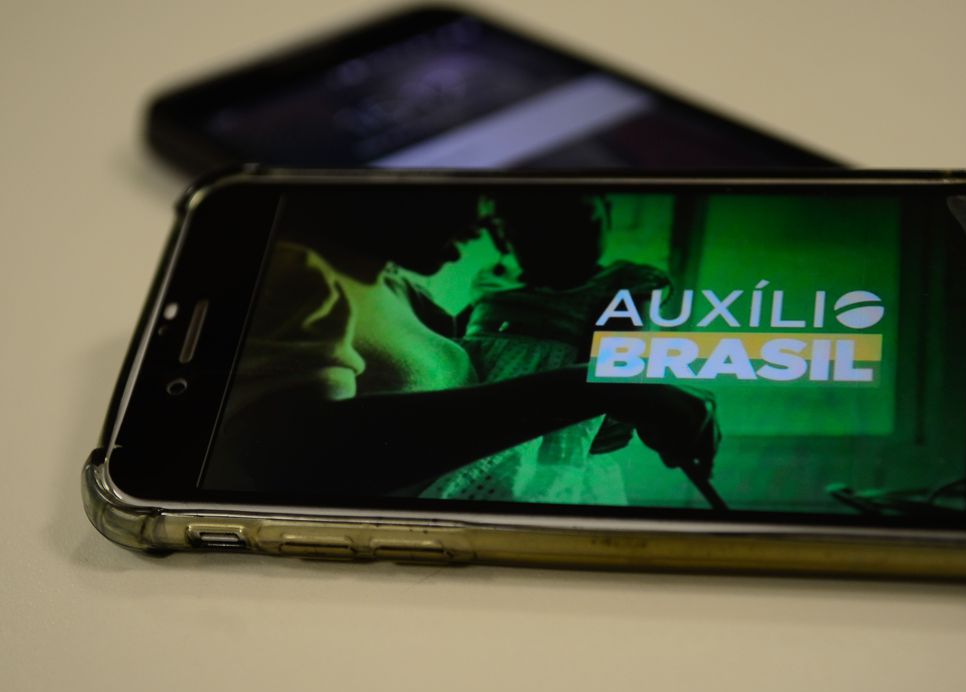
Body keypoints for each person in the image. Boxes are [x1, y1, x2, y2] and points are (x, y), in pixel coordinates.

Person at [212, 189, 720, 500]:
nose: (484, 217)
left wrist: (610, 395)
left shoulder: (398, 288)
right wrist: (599, 389)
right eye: (471, 187)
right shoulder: (295, 271)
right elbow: (300, 458)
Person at [423, 193, 673, 504]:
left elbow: (617, 379)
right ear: (501, 234)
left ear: (606, 214)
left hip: (548, 450)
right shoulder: (492, 283)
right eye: (533, 224)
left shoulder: (624, 286)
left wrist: (618, 409)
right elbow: (447, 348)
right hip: (462, 433)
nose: (561, 235)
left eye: (580, 219)